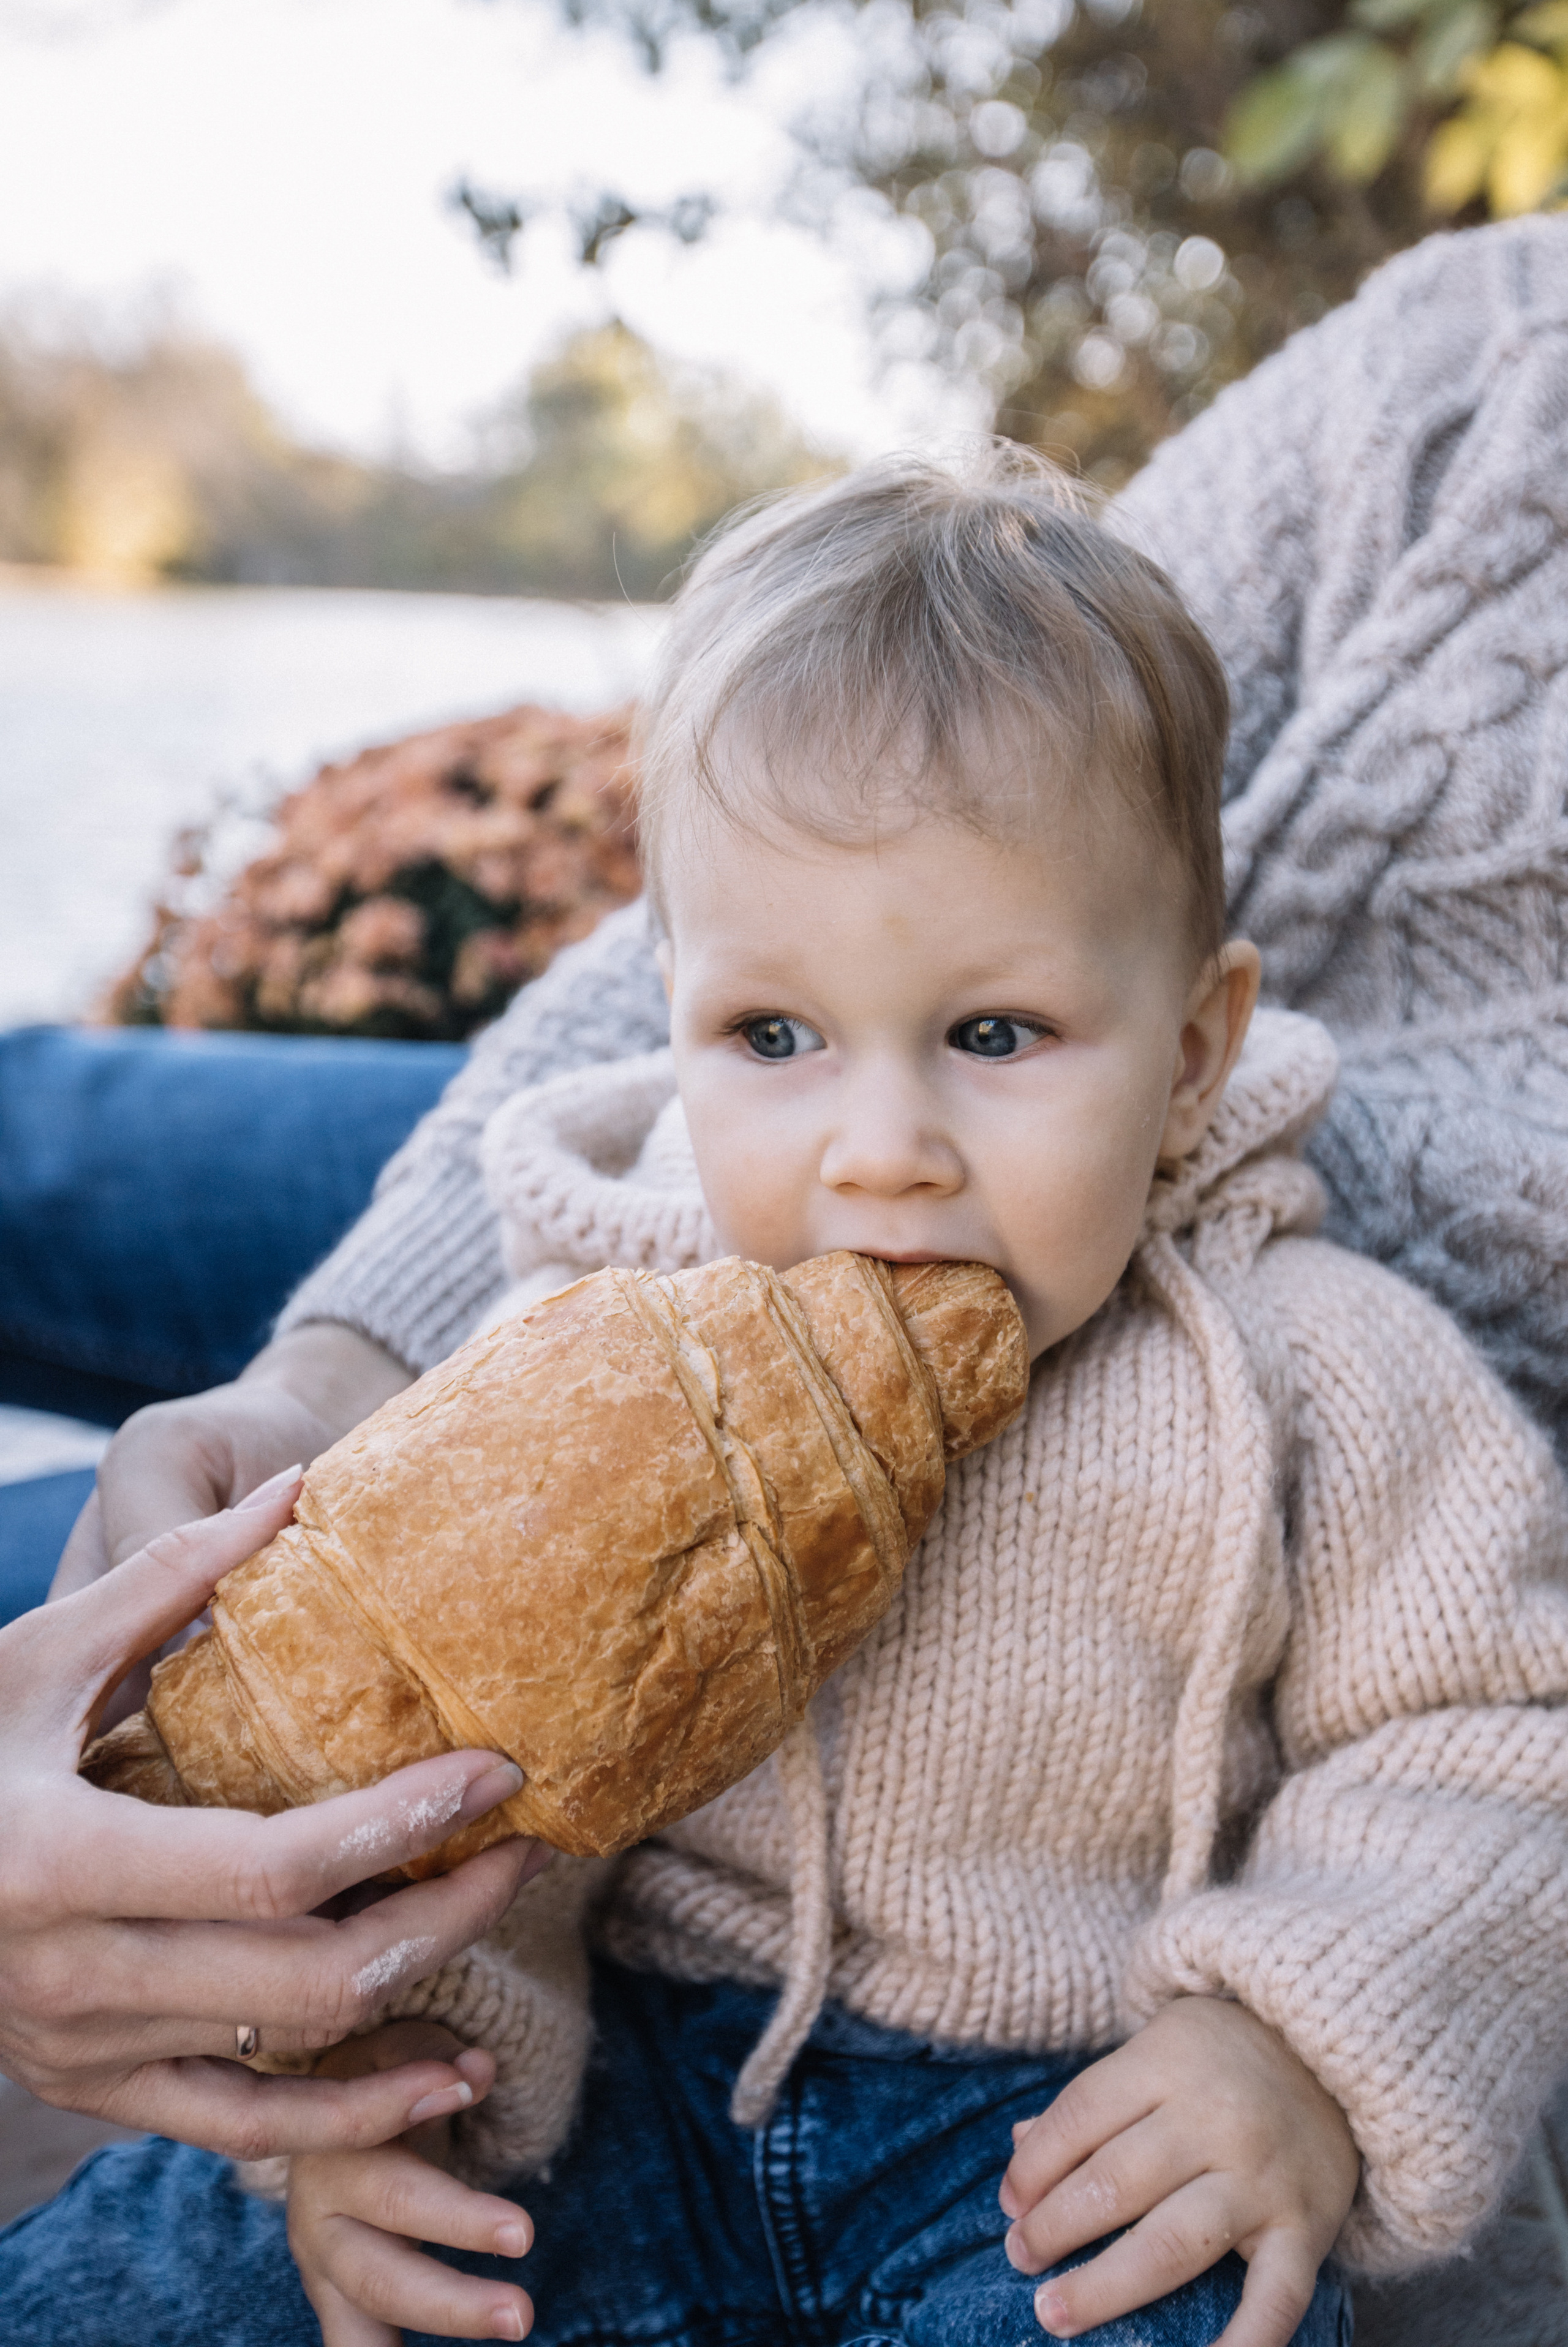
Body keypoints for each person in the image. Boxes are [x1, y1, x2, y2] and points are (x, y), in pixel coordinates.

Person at [10, 444, 1568, 2347]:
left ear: (1190, 1051)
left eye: (996, 1036)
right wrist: (385, 2104)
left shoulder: (1323, 1368)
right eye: (772, 1037)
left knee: (1194, 2296)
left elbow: (1493, 1738)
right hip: (622, 2089)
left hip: (1055, 2131)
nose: (882, 1147)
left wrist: (1294, 2042)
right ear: (668, 1017)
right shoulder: (593, 1337)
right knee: (145, 2279)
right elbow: (485, 1792)